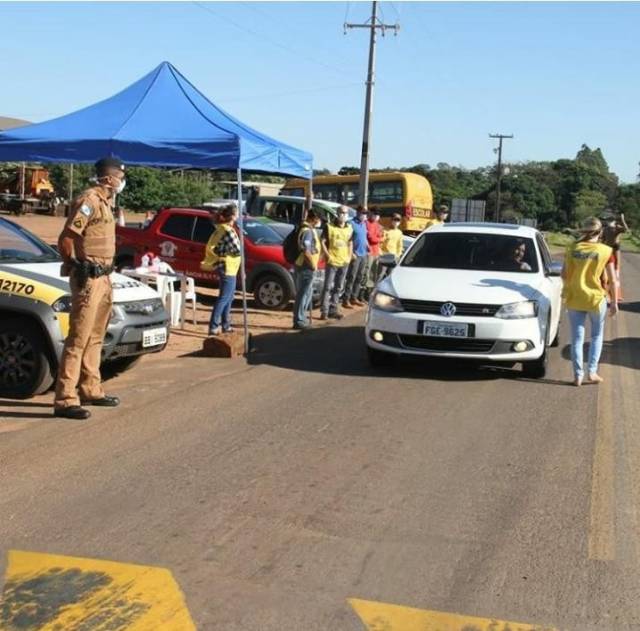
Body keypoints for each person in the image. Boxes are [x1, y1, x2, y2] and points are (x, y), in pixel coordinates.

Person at [53, 157, 126, 420]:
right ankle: (65, 399)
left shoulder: (106, 202)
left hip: (105, 278)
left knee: (96, 336)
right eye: (120, 176)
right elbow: (67, 238)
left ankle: (90, 388)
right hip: (89, 278)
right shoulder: (89, 201)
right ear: (109, 179)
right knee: (78, 338)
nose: (121, 181)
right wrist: (74, 264)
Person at [562, 216, 618, 387]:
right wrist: (614, 302)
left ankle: (577, 375)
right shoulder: (606, 251)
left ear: (584, 230)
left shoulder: (572, 248)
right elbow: (613, 280)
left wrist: (571, 286)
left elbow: (564, 274)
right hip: (595, 299)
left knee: (577, 338)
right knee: (596, 336)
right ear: (600, 232)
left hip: (575, 297)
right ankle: (592, 372)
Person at [203, 204, 241, 335]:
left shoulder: (221, 228)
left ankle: (226, 325)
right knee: (224, 297)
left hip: (228, 267)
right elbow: (237, 249)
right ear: (232, 216)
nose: (238, 215)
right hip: (228, 266)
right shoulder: (227, 230)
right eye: (236, 213)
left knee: (228, 297)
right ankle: (214, 326)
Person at [320, 206, 353, 320]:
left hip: (344, 261)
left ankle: (333, 310)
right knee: (328, 287)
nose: (343, 215)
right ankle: (324, 311)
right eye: (341, 212)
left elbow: (350, 243)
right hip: (332, 261)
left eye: (345, 213)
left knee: (338, 287)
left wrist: (349, 256)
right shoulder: (329, 227)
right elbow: (322, 241)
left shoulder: (349, 228)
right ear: (337, 213)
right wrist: (327, 255)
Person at [292, 209, 322, 330]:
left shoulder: (308, 229)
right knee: (303, 294)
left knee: (306, 293)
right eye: (318, 219)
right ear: (314, 219)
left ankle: (301, 318)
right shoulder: (307, 231)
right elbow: (306, 251)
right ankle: (299, 320)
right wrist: (312, 265)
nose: (319, 222)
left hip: (307, 265)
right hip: (306, 266)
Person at [342, 206, 369, 308]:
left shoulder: (363, 224)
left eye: (365, 213)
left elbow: (364, 237)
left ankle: (354, 297)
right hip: (355, 254)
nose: (364, 215)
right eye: (363, 213)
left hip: (363, 254)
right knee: (351, 277)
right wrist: (351, 252)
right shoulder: (351, 224)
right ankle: (346, 299)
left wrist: (367, 245)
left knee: (359, 277)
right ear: (357, 213)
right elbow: (348, 240)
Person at [601, 211, 629, 300]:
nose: (607, 222)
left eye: (609, 220)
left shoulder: (617, 228)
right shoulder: (605, 229)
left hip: (615, 248)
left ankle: (616, 293)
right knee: (605, 269)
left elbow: (626, 229)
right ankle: (606, 291)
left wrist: (622, 219)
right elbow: (603, 240)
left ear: (612, 220)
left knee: (616, 268)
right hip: (607, 248)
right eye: (606, 220)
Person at [362, 206, 384, 299]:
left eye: (377, 214)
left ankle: (369, 293)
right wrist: (379, 239)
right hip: (368, 252)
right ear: (370, 213)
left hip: (376, 252)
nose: (376, 216)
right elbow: (371, 238)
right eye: (374, 213)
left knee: (373, 273)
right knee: (366, 273)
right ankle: (362, 293)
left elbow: (381, 236)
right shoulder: (366, 223)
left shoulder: (378, 225)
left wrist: (379, 239)